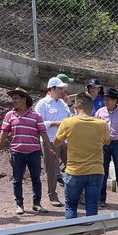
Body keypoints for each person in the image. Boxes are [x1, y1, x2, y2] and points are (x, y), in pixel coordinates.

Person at [54, 92, 110, 235]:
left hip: (74, 171)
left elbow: (56, 142)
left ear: (76, 107)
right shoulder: (101, 124)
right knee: (92, 207)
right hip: (96, 171)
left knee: (71, 206)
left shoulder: (68, 122)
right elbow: (107, 140)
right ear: (92, 107)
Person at [0, 87, 56, 215]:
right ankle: (19, 204)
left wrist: (49, 149)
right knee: (17, 179)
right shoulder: (9, 115)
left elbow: (43, 133)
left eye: (16, 98)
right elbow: (4, 132)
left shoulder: (36, 116)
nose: (13, 101)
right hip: (17, 152)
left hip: (34, 152)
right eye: (13, 98)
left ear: (24, 99)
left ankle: (36, 204)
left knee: (36, 178)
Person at [35, 76, 72, 207]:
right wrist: (54, 123)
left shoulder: (63, 104)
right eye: (60, 88)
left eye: (63, 88)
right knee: (51, 168)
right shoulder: (42, 104)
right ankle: (52, 194)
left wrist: (70, 105)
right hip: (49, 140)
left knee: (72, 166)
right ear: (53, 88)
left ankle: (76, 194)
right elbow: (38, 123)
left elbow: (71, 118)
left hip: (65, 140)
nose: (63, 91)